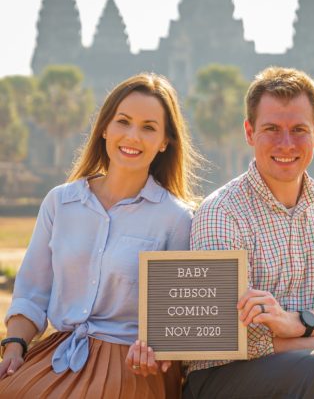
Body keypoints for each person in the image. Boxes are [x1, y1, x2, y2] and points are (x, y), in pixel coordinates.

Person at [184, 67, 314, 399]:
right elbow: (243, 337)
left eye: (298, 129)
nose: (286, 143)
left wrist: (297, 322)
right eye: (271, 128)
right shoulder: (221, 213)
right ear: (249, 131)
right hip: (225, 374)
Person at [0, 72, 200, 399]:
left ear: (165, 141)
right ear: (105, 128)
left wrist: (161, 351)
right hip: (59, 354)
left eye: (149, 127)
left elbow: (179, 322)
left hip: (132, 366)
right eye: (123, 121)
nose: (133, 136)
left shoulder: (176, 219)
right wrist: (15, 347)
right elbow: (32, 293)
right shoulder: (60, 203)